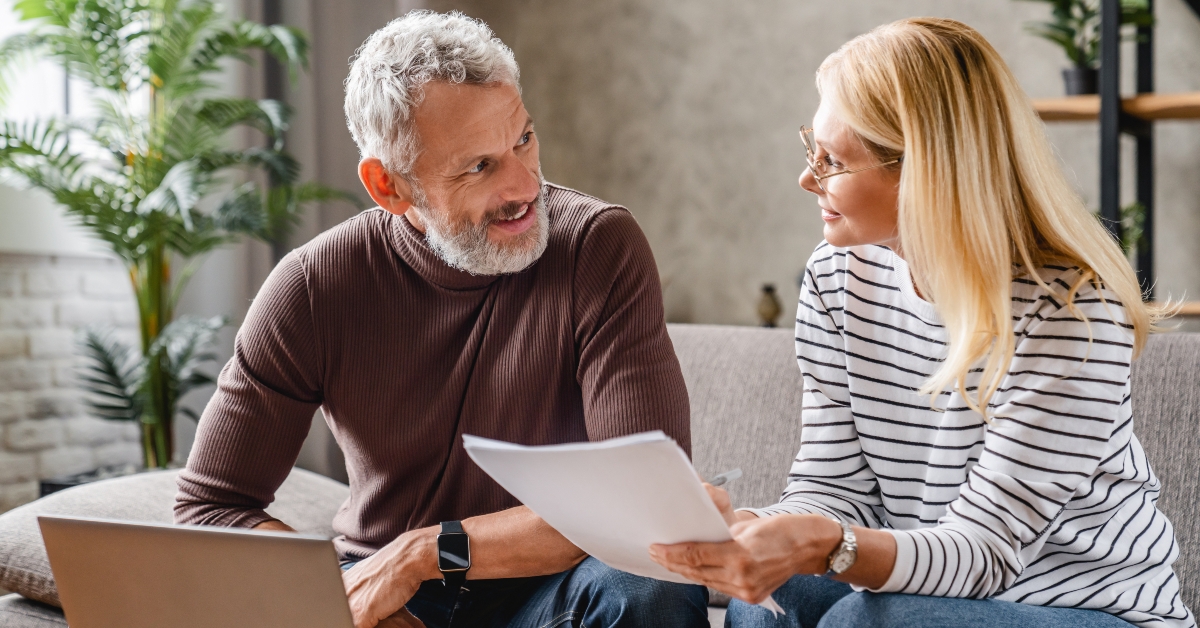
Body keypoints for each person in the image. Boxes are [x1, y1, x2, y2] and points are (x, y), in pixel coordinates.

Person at [649, 17, 1194, 628]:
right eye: (811, 150)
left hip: (1086, 610)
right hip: (936, 596)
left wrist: (826, 546)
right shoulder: (836, 275)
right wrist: (750, 530)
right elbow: (833, 489)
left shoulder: (1070, 310)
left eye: (832, 161)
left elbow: (986, 553)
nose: (807, 179)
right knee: (768, 609)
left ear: (925, 173)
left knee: (866, 623)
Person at [174, 10, 709, 628]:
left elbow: (644, 502)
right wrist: (338, 596)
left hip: (550, 593)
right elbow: (212, 508)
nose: (524, 186)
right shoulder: (313, 285)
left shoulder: (598, 246)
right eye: (479, 166)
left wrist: (423, 553)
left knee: (652, 585)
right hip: (384, 590)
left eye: (523, 140)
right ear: (389, 186)